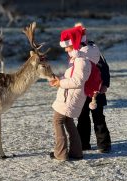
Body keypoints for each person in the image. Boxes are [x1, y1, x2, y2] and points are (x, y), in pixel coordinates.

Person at [49, 25, 101, 161]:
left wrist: (60, 83)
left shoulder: (81, 61)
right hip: (70, 96)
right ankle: (76, 152)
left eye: (68, 46)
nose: (66, 49)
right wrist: (60, 80)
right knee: (68, 121)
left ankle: (60, 153)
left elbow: (78, 81)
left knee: (57, 121)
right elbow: (74, 78)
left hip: (70, 98)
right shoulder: (79, 59)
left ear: (75, 45)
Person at [77, 39, 112, 153]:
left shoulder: (95, 52)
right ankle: (83, 143)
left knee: (99, 118)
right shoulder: (77, 54)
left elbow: (105, 69)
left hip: (97, 93)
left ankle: (104, 144)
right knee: (82, 118)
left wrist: (105, 84)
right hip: (82, 92)